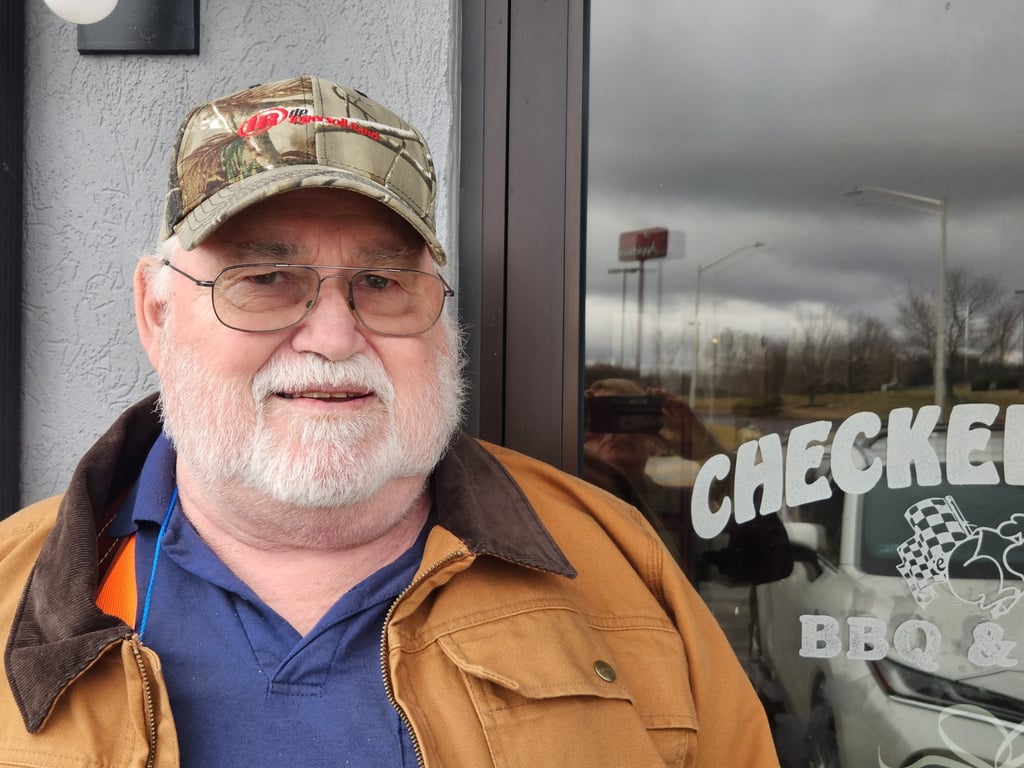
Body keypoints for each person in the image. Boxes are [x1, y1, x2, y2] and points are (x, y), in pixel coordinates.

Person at [0, 76, 780, 767]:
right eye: (265, 278)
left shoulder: (620, 568)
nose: (335, 338)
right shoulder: (13, 590)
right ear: (157, 311)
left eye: (380, 280)